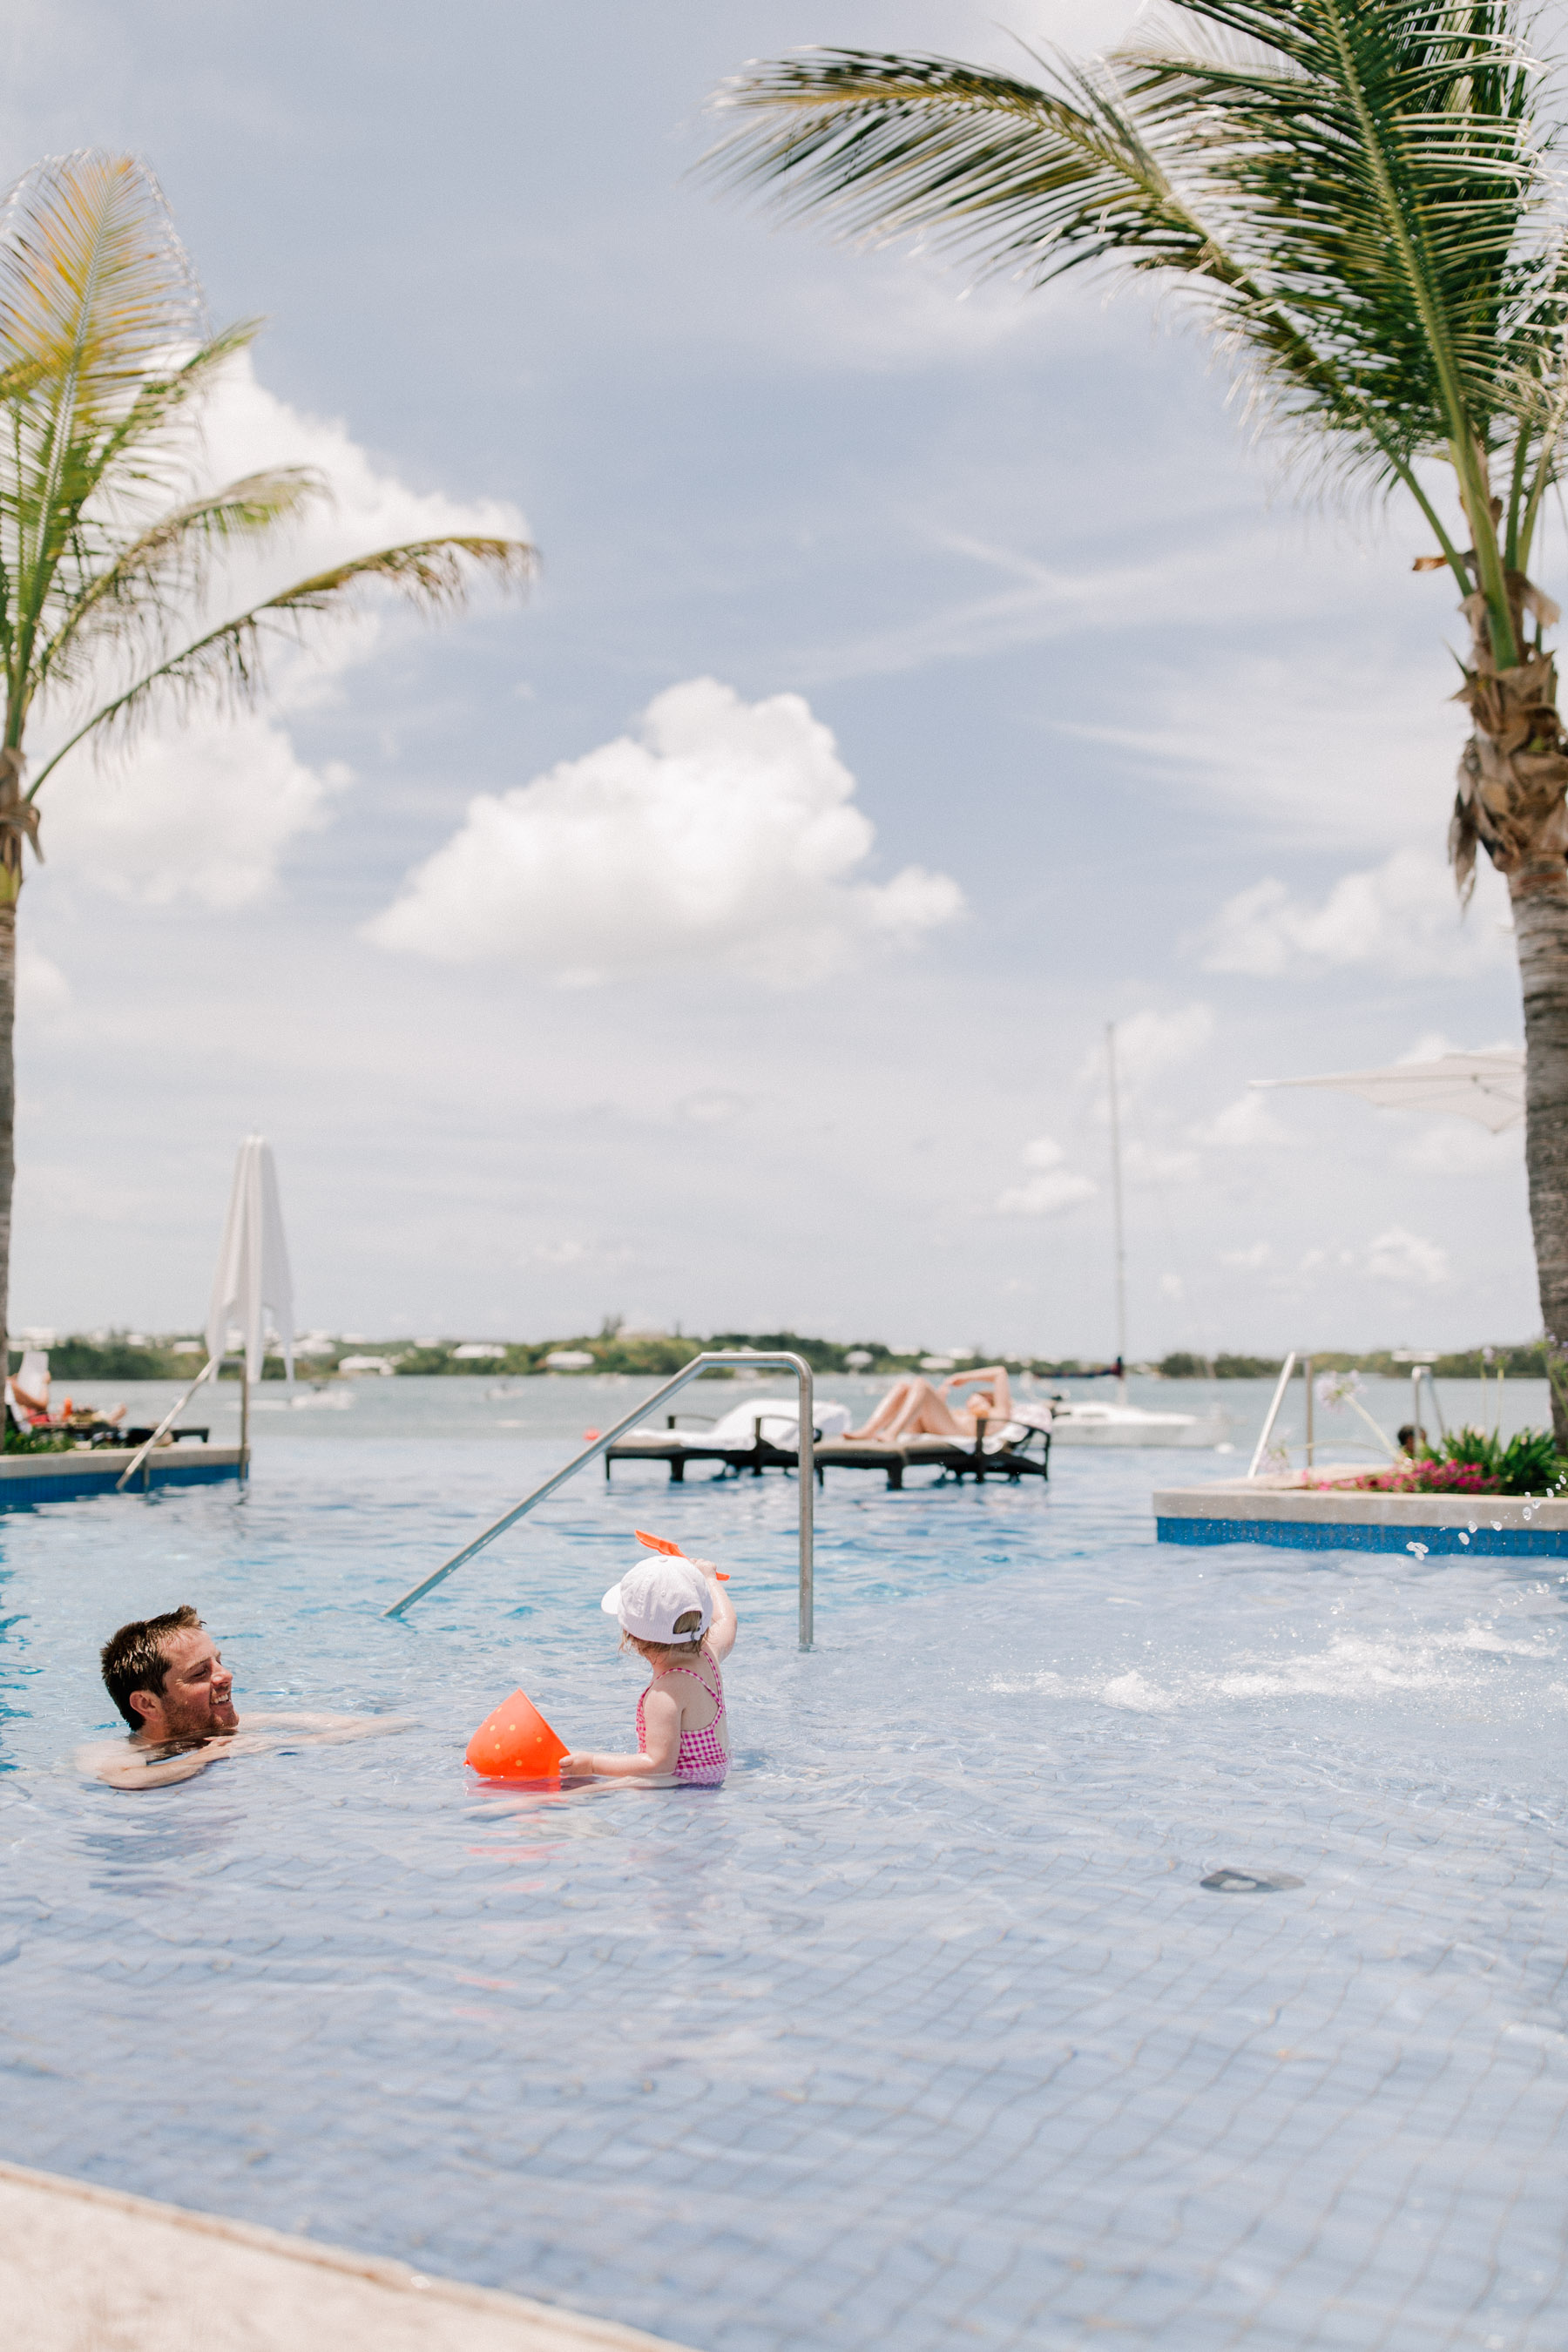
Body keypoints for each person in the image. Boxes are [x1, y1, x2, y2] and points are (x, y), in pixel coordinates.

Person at [80, 1605, 406, 1790]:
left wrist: (290, 1743)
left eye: (218, 1661)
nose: (225, 1675)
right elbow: (129, 1779)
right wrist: (205, 1758)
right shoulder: (111, 1752)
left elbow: (384, 1726)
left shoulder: (245, 1728)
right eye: (200, 1673)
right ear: (147, 1704)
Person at [558, 1551, 734, 1785]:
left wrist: (592, 1763)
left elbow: (658, 1764)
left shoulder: (665, 1693)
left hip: (681, 1787)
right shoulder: (708, 1652)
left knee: (566, 1791)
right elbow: (727, 1621)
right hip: (711, 1777)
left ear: (631, 1634)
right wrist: (710, 1579)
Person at [845, 1364, 1027, 1443]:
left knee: (921, 1384)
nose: (970, 1400)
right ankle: (869, 1430)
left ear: (988, 1399)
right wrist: (939, 1401)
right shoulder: (964, 1413)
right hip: (930, 1428)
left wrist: (963, 1378)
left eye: (976, 1397)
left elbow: (1000, 1373)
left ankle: (893, 1432)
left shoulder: (999, 1412)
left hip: (961, 1434)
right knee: (903, 1387)